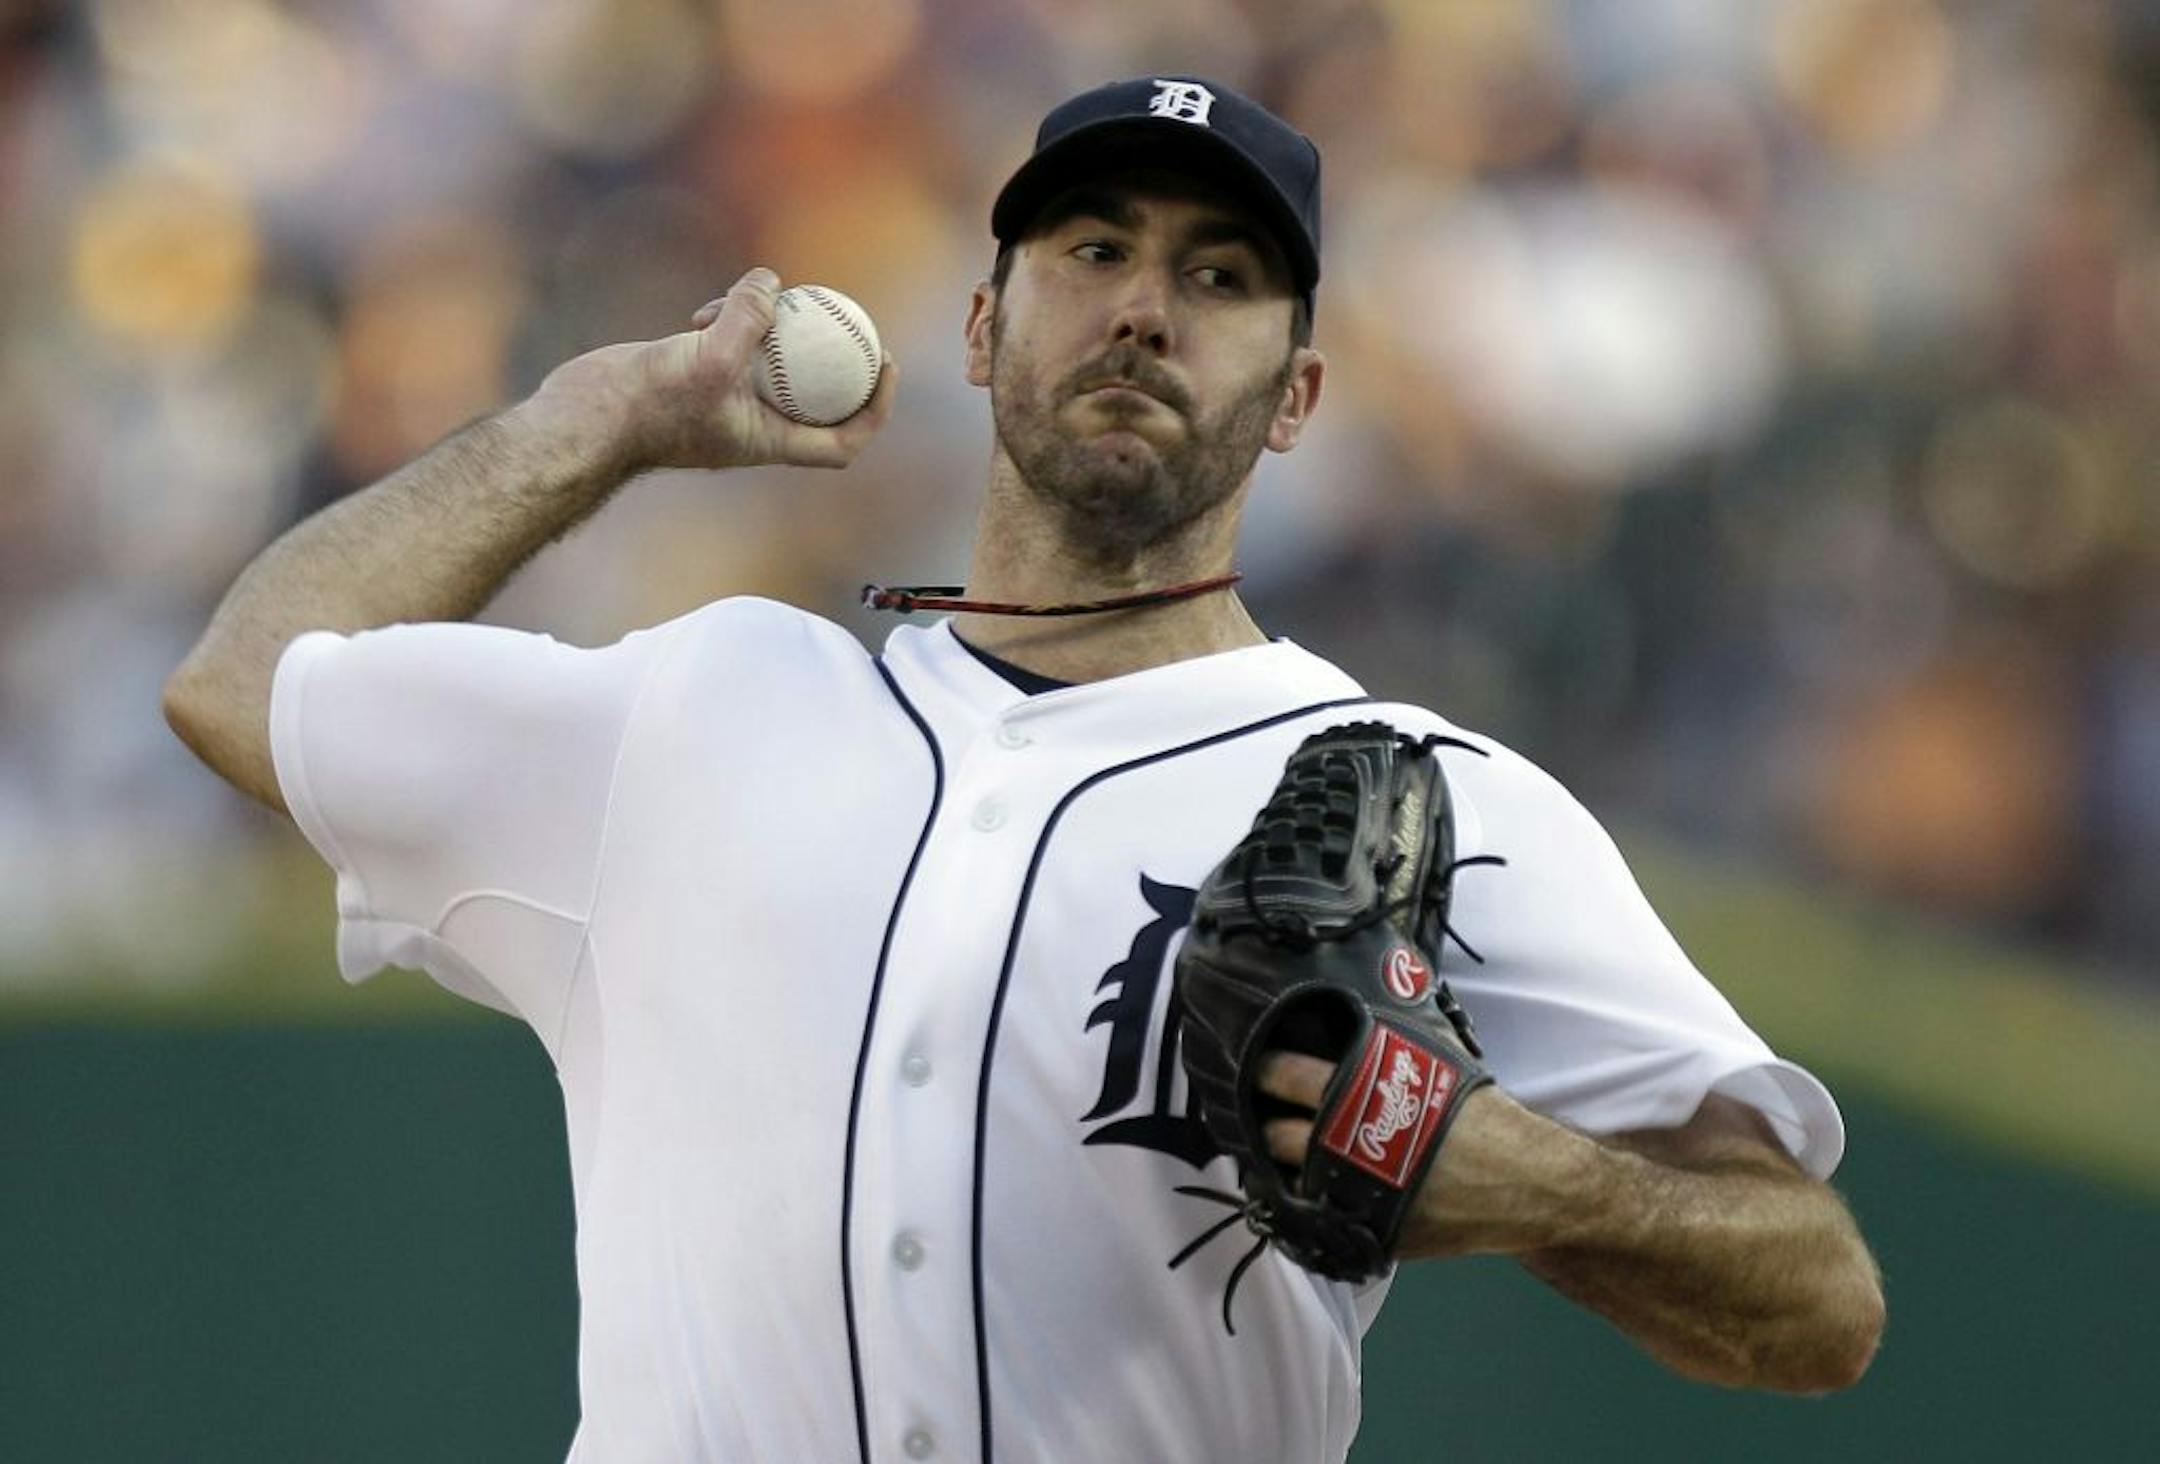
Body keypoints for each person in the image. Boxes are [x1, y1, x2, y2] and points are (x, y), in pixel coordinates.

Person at [165, 75, 1883, 1464]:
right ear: (982, 327)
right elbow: (244, 683)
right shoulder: (699, 712)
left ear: (1296, 398)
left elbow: (1821, 1300)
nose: (1145, 309)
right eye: (1094, 249)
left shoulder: (1424, 793)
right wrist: (597, 424)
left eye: (1219, 277)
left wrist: (1532, 1181)